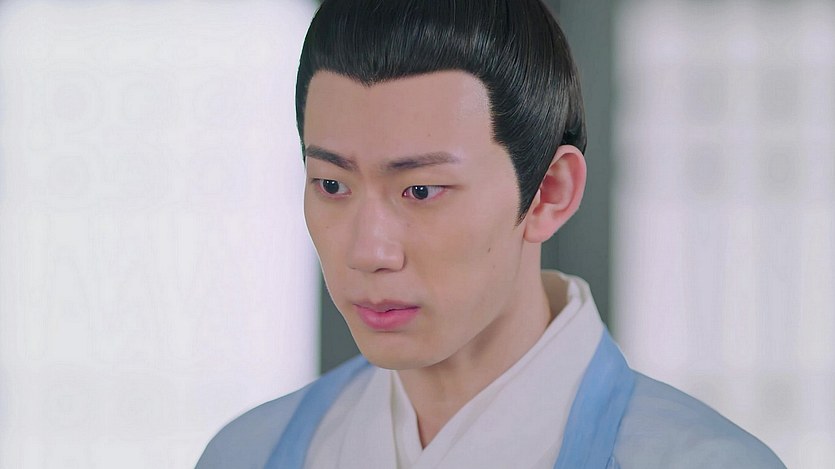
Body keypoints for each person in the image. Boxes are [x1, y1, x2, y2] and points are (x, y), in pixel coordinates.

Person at [197, 0, 786, 467]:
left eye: (420, 190)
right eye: (331, 185)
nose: (368, 251)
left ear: (549, 192)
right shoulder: (247, 454)